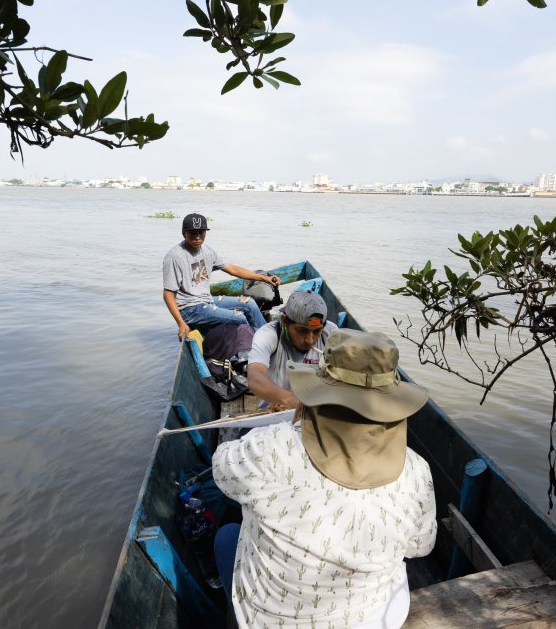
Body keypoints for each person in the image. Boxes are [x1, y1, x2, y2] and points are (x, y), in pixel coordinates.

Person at [212, 330, 437, 629]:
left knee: (227, 535)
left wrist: (291, 427)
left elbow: (222, 468)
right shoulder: (417, 471)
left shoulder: (271, 447)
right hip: (371, 618)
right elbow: (420, 546)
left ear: (319, 390)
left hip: (272, 620)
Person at [162, 213, 280, 340]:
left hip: (207, 300)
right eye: (192, 233)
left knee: (250, 304)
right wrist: (181, 323)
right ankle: (245, 349)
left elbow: (232, 269)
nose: (197, 237)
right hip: (189, 308)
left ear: (205, 233)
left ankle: (267, 341)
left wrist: (264, 278)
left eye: (201, 232)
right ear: (183, 233)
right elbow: (168, 294)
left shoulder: (207, 250)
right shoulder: (175, 256)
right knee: (239, 317)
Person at [248, 289, 338, 412]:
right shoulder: (269, 334)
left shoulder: (331, 333)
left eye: (317, 331)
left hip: (316, 411)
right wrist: (290, 400)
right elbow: (255, 378)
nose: (310, 340)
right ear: (284, 321)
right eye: (302, 330)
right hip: (274, 414)